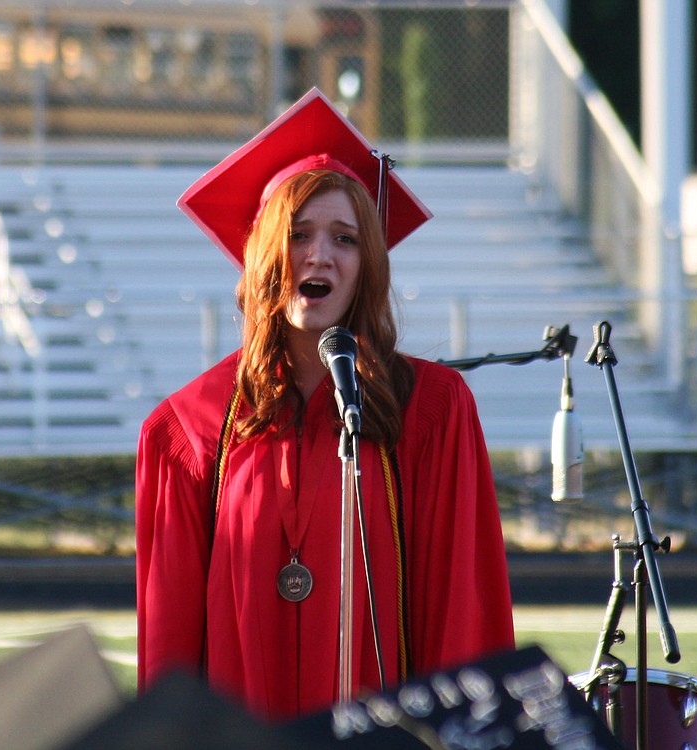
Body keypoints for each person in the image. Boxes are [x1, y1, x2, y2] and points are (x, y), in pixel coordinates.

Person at [135, 88, 514, 722]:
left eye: (345, 238)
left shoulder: (431, 413)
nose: (319, 254)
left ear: (368, 265)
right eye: (299, 233)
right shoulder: (189, 432)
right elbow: (170, 654)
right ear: (263, 258)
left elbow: (463, 618)